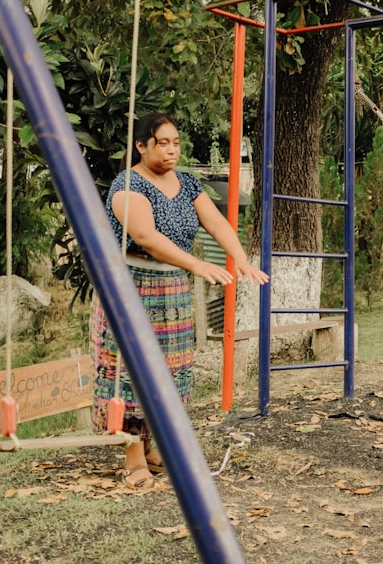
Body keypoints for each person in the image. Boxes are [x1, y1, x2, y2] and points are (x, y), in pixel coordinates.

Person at [90, 112, 269, 488]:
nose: (172, 150)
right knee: (133, 374)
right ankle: (133, 457)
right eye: (163, 143)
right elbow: (148, 237)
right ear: (141, 146)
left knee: (168, 372)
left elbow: (218, 223)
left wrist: (241, 260)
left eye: (176, 142)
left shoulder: (187, 183)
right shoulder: (127, 185)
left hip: (171, 289)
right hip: (131, 288)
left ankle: (153, 447)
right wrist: (197, 264)